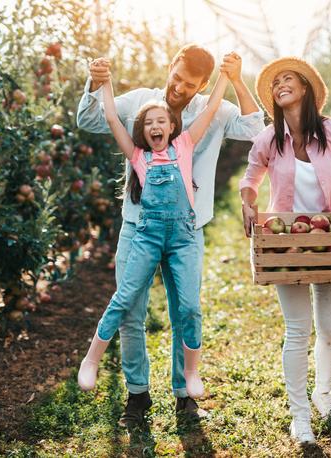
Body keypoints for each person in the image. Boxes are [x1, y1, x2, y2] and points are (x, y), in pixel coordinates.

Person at [76, 45, 264, 426]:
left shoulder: (213, 110)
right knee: (130, 310)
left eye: (189, 84)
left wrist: (238, 80)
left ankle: (184, 395)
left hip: (186, 230)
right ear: (170, 67)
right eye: (176, 77)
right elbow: (92, 119)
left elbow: (255, 129)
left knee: (186, 310)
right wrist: (95, 83)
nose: (178, 87)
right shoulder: (142, 103)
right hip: (138, 226)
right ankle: (137, 396)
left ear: (203, 85)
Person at [238, 57, 331, 444]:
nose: (280, 84)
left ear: (305, 88)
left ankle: (324, 394)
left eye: (288, 79)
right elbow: (250, 179)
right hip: (287, 244)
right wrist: (248, 202)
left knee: (330, 332)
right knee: (297, 331)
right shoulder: (269, 138)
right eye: (275, 81)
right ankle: (300, 418)